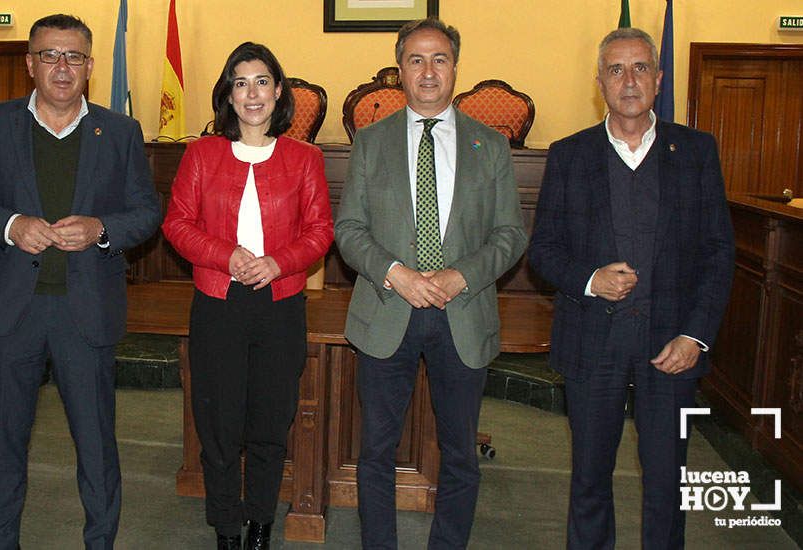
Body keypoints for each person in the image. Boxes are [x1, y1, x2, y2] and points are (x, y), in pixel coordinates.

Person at [0, 14, 160, 549]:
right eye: (49, 55)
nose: (62, 67)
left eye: (74, 57)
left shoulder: (121, 131)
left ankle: (100, 541)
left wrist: (101, 228)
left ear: (89, 65)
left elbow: (148, 211)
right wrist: (11, 225)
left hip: (84, 313)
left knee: (97, 445)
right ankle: (1, 542)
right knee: (5, 443)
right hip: (11, 312)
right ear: (29, 64)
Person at [528, 27, 735, 550]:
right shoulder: (570, 154)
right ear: (599, 83)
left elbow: (718, 251)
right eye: (616, 70)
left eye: (640, 68)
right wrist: (590, 279)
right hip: (593, 345)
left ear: (658, 79)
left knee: (668, 485)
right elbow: (544, 251)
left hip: (672, 348)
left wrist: (696, 335)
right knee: (590, 481)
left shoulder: (696, 151)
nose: (628, 80)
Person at [334, 18, 527, 550]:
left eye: (439, 59)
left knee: (460, 453)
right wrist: (397, 273)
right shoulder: (371, 143)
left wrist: (460, 273)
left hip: (462, 313)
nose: (427, 71)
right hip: (386, 310)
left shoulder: (491, 145)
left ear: (455, 68)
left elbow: (511, 234)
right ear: (400, 71)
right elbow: (348, 230)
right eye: (415, 60)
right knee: (375, 451)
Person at [162, 42, 333, 550]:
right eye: (240, 82)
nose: (252, 92)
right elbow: (177, 223)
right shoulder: (202, 153)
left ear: (278, 91)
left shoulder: (305, 158)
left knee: (269, 422)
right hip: (218, 302)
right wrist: (225, 255)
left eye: (261, 81)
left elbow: (321, 231)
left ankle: (260, 522)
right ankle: (226, 529)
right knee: (218, 426)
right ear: (228, 95)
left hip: (280, 305)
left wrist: (278, 261)